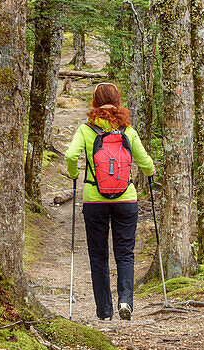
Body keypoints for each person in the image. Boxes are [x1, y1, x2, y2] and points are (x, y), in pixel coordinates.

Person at [65, 83, 155, 320]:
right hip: (126, 198)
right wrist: (149, 170)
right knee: (125, 253)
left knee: (98, 255)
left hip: (94, 199)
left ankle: (104, 311)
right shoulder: (127, 131)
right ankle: (125, 301)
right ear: (117, 102)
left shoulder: (86, 130)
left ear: (94, 101)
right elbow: (145, 162)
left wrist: (74, 173)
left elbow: (70, 155)